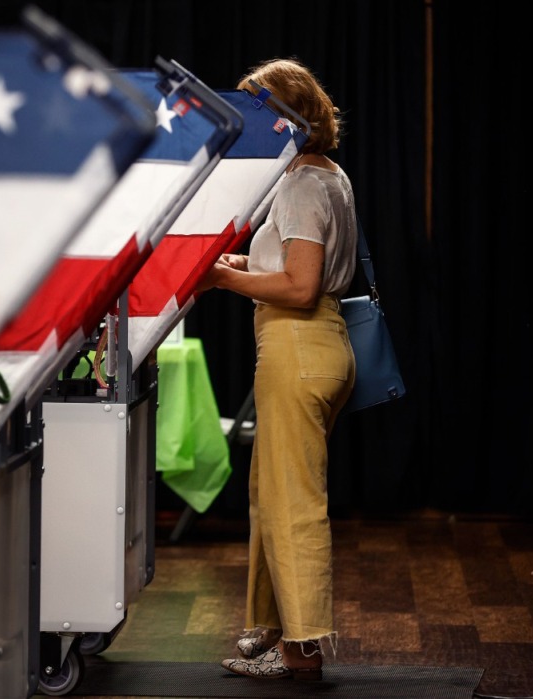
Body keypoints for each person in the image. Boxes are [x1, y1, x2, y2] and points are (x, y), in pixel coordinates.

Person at [197, 57, 358, 680]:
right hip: (316, 347)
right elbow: (293, 263)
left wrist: (219, 278)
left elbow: (298, 287)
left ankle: (301, 652)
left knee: (291, 504)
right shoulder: (326, 174)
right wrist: (242, 264)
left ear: (288, 116)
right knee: (270, 495)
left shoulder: (298, 185)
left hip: (297, 344)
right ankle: (271, 629)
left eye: (261, 111)